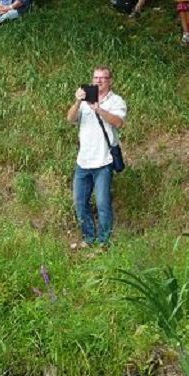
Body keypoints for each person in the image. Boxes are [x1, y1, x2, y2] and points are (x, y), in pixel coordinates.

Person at [67, 67, 127, 247]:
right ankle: (88, 238)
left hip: (104, 160)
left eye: (103, 78)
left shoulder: (116, 101)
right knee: (80, 203)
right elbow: (70, 119)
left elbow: (118, 122)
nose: (98, 81)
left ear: (110, 81)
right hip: (83, 161)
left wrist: (99, 109)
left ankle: (104, 242)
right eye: (95, 78)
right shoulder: (84, 100)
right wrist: (78, 101)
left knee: (102, 204)